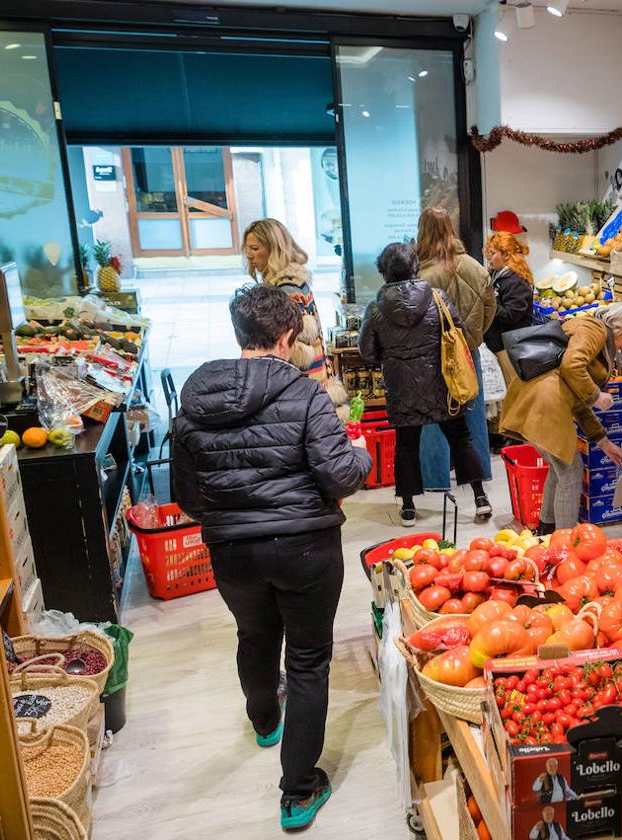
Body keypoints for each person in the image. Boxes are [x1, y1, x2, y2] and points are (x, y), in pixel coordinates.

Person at [171, 284, 372, 832]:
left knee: (254, 636)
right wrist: (362, 455)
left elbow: (188, 497)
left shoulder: (192, 404)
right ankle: (298, 790)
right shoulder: (304, 395)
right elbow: (339, 476)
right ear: (286, 337)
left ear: (239, 334)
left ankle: (264, 721)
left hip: (232, 549)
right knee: (308, 661)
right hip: (306, 546)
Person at [359, 242, 490, 526]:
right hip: (441, 384)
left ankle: (407, 507)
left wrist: (391, 355)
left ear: (384, 273)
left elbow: (367, 352)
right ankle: (480, 499)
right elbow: (456, 331)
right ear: (415, 267)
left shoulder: (375, 309)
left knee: (406, 444)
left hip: (402, 388)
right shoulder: (437, 297)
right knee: (460, 437)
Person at [501, 302, 622, 534]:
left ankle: (546, 533)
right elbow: (571, 365)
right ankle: (564, 542)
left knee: (558, 468)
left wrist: (603, 442)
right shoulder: (595, 330)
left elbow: (577, 399)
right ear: (620, 328)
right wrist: (597, 396)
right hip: (544, 405)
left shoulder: (596, 336)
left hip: (539, 402)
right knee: (570, 471)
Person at [416, 207, 496, 493]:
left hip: (432, 353)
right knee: (472, 411)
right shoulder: (475, 266)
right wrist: (473, 336)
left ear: (422, 231)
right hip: (468, 350)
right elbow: (490, 308)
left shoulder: (422, 274)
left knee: (433, 416)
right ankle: (481, 471)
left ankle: (435, 478)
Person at [243, 218, 350, 424]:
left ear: (275, 248)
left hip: (303, 389)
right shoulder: (292, 283)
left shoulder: (286, 290)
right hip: (314, 385)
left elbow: (299, 350)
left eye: (255, 248)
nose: (249, 255)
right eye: (247, 248)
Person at [482, 230, 535, 383]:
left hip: (509, 347)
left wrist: (488, 303)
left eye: (492, 253)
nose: (488, 257)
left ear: (506, 255)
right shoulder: (496, 275)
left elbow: (511, 315)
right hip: (498, 344)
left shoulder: (517, 281)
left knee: (511, 390)